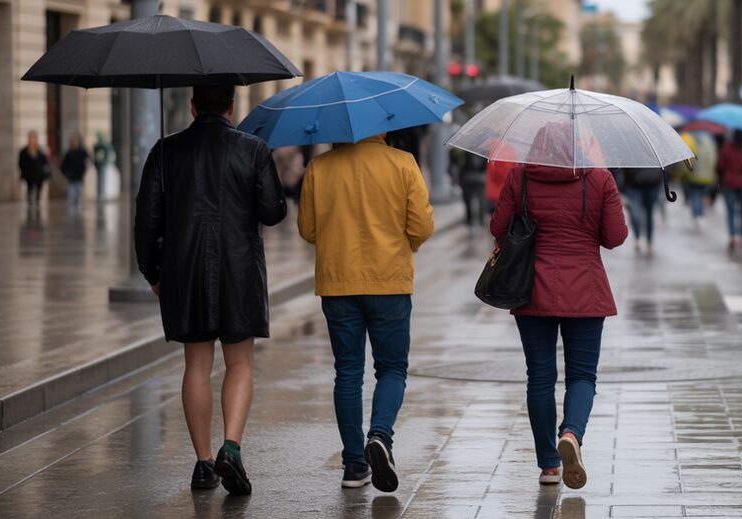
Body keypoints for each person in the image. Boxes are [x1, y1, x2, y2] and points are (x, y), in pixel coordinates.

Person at [134, 85, 287, 496]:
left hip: (184, 269)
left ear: (193, 106)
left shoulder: (165, 151)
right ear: (232, 106)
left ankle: (203, 463)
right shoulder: (253, 149)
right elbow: (273, 212)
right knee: (240, 363)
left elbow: (147, 220)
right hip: (239, 269)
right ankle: (231, 449)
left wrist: (151, 271)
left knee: (196, 365)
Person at [491, 123, 627, 489]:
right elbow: (615, 237)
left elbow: (499, 228)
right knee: (582, 376)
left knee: (540, 376)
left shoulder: (519, 177)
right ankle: (571, 434)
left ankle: (549, 465)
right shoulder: (599, 179)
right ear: (578, 146)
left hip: (531, 288)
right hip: (585, 292)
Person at [298, 131, 434, 493]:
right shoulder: (402, 163)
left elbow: (307, 229)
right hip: (389, 281)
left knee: (347, 372)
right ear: (384, 127)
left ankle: (355, 465)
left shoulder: (319, 167)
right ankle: (380, 436)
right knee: (391, 368)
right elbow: (421, 226)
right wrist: (407, 243)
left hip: (338, 282)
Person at [680, 131, 717, 228]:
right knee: (701, 195)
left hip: (694, 176)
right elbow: (713, 160)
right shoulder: (710, 143)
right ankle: (701, 215)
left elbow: (689, 161)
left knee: (695, 196)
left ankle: (696, 215)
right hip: (706, 176)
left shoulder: (691, 143)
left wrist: (685, 173)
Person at [622, 167, 662, 254]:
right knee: (636, 213)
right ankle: (638, 238)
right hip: (634, 184)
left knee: (649, 214)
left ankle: (649, 240)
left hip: (652, 184)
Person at [451, 147, 488, 229]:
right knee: (481, 199)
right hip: (479, 177)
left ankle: (470, 221)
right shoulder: (485, 149)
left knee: (468, 200)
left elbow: (460, 164)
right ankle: (481, 221)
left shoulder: (465, 148)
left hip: (468, 176)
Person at [59, 133, 92, 213]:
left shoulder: (83, 152)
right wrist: (66, 174)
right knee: (71, 197)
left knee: (78, 197)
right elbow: (63, 166)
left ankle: (77, 213)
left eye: (75, 141)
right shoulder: (69, 153)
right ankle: (72, 213)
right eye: (73, 141)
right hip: (71, 179)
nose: (74, 143)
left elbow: (88, 161)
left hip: (79, 178)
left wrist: (84, 169)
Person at [18, 131, 50, 210]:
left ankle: (37, 201)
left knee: (38, 188)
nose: (31, 141)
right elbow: (21, 163)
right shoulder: (24, 151)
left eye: (33, 138)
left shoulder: (40, 150)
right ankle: (29, 202)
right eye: (30, 138)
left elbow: (45, 161)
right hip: (29, 174)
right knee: (30, 188)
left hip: (39, 174)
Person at [92, 132, 115, 201]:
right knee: (101, 179)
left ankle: (102, 193)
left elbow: (109, 155)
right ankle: (101, 193)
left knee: (103, 179)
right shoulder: (100, 146)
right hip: (101, 165)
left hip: (103, 165)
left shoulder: (103, 146)